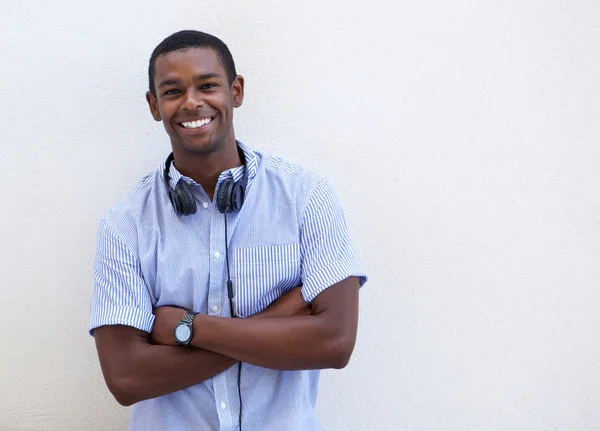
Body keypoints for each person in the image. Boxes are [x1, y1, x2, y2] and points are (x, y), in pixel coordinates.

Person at [89, 29, 367, 431]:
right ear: (154, 105)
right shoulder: (124, 224)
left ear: (235, 91)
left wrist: (187, 328)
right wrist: (281, 317)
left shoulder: (306, 196)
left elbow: (335, 343)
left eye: (207, 85)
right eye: (172, 91)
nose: (191, 102)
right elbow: (128, 378)